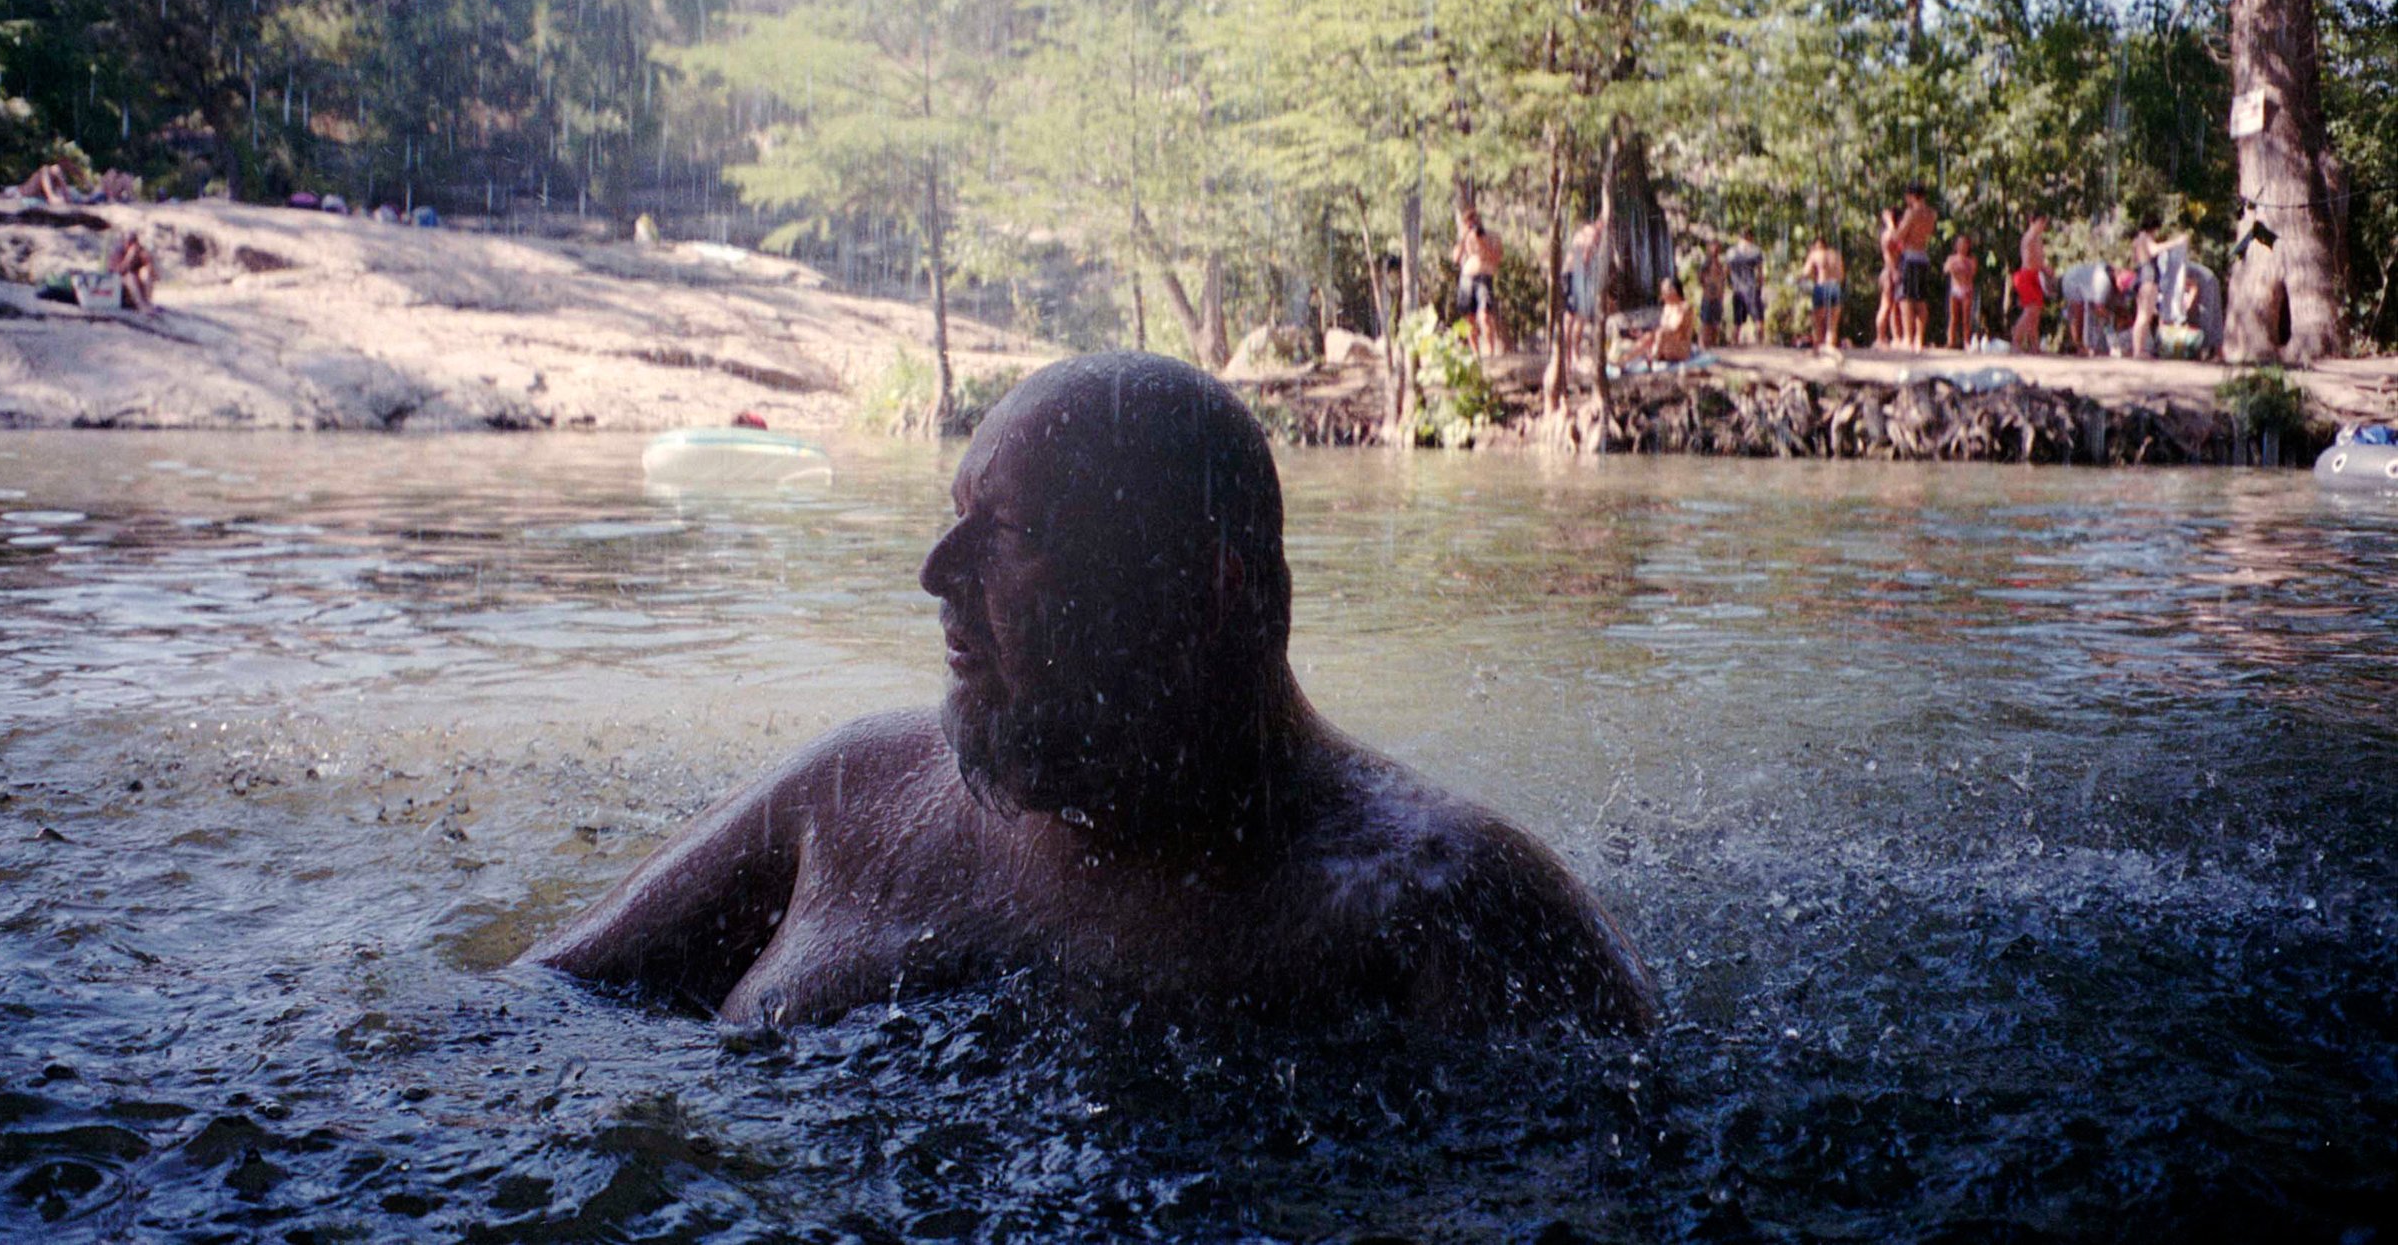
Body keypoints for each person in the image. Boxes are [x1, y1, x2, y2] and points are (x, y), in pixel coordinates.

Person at [527, 354, 1656, 1035]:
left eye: (1005, 533)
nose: (934, 574)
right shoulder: (850, 791)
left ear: (1204, 592)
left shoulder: (1437, 910)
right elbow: (532, 1019)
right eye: (953, 512)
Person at [2130, 217, 2194, 359]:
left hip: (2140, 275)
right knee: (2144, 316)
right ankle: (2138, 351)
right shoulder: (2145, 238)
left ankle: (2138, 349)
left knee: (2141, 315)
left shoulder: (2136, 240)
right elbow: (2154, 250)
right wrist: (2175, 242)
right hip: (2149, 277)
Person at [1453, 207, 1503, 362]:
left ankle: (1490, 352)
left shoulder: (1492, 236)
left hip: (1484, 277)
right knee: (1470, 318)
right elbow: (1455, 259)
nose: (1473, 224)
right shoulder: (1465, 238)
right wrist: (1464, 238)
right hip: (1467, 278)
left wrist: (1482, 242)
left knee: (1485, 316)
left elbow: (1497, 258)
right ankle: (1475, 354)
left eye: (1474, 220)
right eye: (1469, 221)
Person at [1894, 184, 1938, 351]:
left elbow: (1899, 236)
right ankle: (1919, 339)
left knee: (1906, 298)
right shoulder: (1931, 214)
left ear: (1912, 196)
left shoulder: (1911, 213)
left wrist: (1891, 225)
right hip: (1923, 256)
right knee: (1921, 299)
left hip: (1910, 256)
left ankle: (1908, 337)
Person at [1559, 218, 1601, 387]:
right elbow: (1585, 257)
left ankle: (1571, 357)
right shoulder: (1590, 233)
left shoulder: (1586, 234)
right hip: (1575, 274)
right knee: (1574, 315)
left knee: (1577, 316)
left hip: (1575, 274)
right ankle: (1570, 358)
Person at [2059, 260, 2117, 355]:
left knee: (2089, 314)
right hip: (2072, 281)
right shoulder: (2103, 281)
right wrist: (2110, 318)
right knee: (2077, 313)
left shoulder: (2104, 272)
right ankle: (2078, 346)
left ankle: (2091, 346)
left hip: (2077, 276)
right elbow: (2099, 308)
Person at [1803, 234, 1844, 350]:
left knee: (1818, 324)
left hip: (1821, 286)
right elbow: (1841, 275)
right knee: (1832, 325)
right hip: (1835, 287)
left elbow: (1805, 272)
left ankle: (1818, 351)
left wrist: (1813, 277)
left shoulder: (1815, 254)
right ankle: (1830, 350)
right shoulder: (1836, 255)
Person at [1725, 229, 1765, 345]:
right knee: (1758, 319)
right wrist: (1759, 287)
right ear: (1750, 237)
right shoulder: (1755, 251)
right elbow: (1760, 273)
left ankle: (1734, 344)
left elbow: (1726, 271)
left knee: (1737, 321)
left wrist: (1730, 284)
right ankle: (1760, 345)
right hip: (1751, 288)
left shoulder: (1731, 252)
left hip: (1737, 289)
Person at [1645, 277, 1695, 364]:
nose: (1662, 294)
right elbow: (1662, 326)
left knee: (1659, 334)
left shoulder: (1684, 308)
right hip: (1666, 344)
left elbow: (1677, 331)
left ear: (1674, 291)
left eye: (1664, 290)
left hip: (1680, 348)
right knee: (1647, 336)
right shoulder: (1667, 307)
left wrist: (1659, 334)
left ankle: (1653, 357)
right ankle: (1622, 361)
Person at [1943, 235, 1979, 350]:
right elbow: (1946, 269)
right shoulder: (1952, 258)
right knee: (1953, 317)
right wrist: (1954, 266)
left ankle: (1966, 342)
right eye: (1960, 244)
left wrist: (1961, 267)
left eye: (1965, 244)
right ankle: (1951, 341)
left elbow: (1972, 272)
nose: (1962, 246)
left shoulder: (1971, 260)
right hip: (1955, 290)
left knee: (1966, 318)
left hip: (1967, 290)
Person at [109, 230, 156, 312]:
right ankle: (141, 305)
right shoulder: (118, 252)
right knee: (130, 277)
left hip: (137, 284)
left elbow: (155, 275)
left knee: (145, 273)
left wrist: (148, 262)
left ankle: (147, 302)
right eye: (129, 242)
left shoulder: (140, 250)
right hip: (119, 284)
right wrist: (129, 258)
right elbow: (117, 271)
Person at [1874, 209, 1900, 349]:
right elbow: (1888, 256)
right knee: (1885, 305)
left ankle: (1895, 337)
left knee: (1894, 306)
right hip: (1889, 271)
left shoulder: (1897, 233)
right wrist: (1894, 271)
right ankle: (1879, 337)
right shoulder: (1888, 234)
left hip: (1895, 271)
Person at [1696, 243, 1728, 350]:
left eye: (1717, 247)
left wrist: (1721, 295)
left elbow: (1722, 280)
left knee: (1715, 324)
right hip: (1708, 297)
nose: (1715, 249)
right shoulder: (1706, 264)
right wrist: (1708, 287)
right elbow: (1700, 278)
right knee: (1705, 324)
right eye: (1713, 247)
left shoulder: (1719, 264)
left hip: (1718, 298)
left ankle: (1713, 347)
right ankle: (1703, 347)